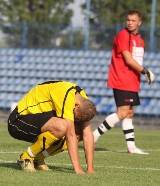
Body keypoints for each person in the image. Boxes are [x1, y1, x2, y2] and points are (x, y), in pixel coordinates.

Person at [93, 9, 154, 154]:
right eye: (128, 20)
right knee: (122, 112)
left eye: (133, 20)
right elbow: (127, 59)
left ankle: (131, 148)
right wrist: (145, 71)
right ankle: (93, 136)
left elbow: (136, 59)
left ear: (139, 22)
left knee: (129, 113)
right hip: (121, 79)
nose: (130, 23)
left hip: (133, 81)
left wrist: (141, 73)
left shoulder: (139, 39)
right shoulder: (123, 35)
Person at [8, 80, 96, 174]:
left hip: (41, 120)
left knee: (79, 131)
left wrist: (90, 169)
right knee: (63, 127)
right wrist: (77, 169)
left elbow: (87, 134)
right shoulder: (66, 95)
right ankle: (26, 158)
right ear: (77, 106)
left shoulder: (83, 99)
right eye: (75, 116)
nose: (74, 118)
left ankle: (37, 158)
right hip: (18, 121)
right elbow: (70, 135)